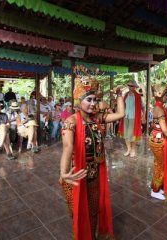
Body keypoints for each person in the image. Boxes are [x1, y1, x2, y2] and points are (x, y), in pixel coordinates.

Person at [59, 65, 124, 240]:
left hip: (94, 174)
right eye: (89, 99)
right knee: (78, 213)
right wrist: (64, 173)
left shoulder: (97, 118)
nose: (93, 103)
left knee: (94, 212)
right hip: (75, 175)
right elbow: (68, 147)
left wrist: (118, 95)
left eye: (95, 100)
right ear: (79, 100)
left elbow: (120, 114)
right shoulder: (70, 122)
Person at [118, 79, 143, 158]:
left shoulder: (138, 96)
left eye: (131, 86)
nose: (129, 87)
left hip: (133, 117)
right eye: (129, 85)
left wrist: (143, 117)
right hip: (126, 117)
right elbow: (122, 105)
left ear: (135, 87)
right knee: (126, 135)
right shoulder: (125, 95)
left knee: (132, 135)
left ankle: (133, 150)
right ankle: (128, 149)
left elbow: (142, 107)